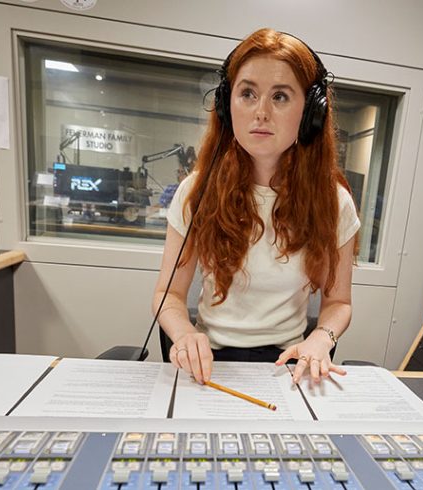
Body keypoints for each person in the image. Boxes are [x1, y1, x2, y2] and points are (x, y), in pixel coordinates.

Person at [152, 28, 360, 387]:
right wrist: (184, 334)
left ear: (310, 112)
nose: (261, 112)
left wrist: (321, 338)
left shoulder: (334, 201)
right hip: (209, 363)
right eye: (247, 93)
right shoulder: (196, 192)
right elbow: (168, 294)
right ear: (226, 103)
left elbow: (338, 302)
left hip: (285, 366)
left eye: (280, 96)